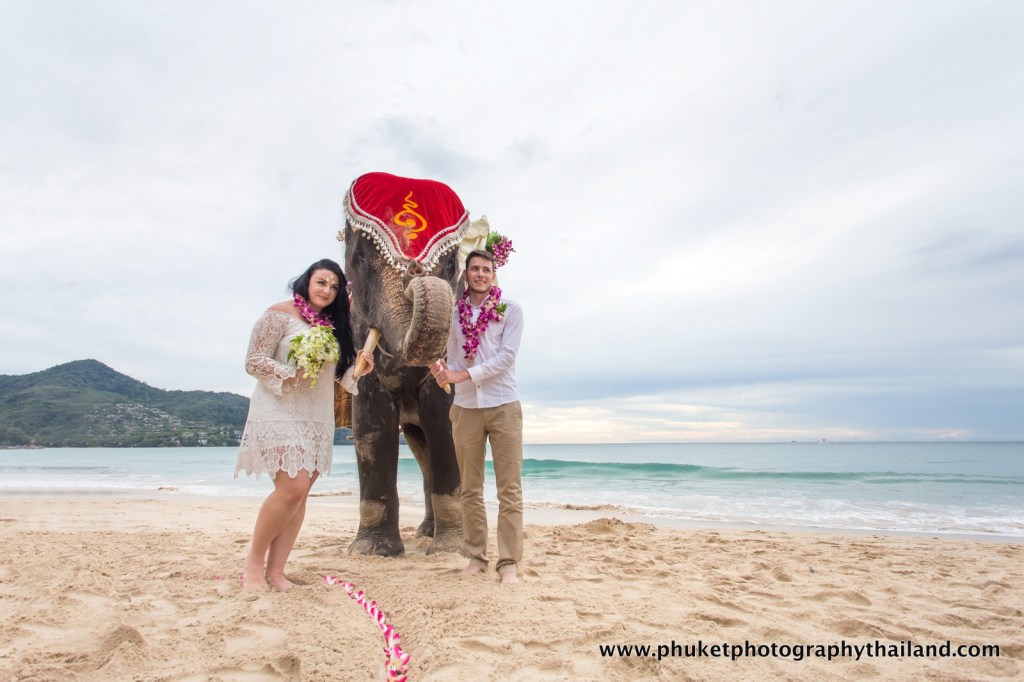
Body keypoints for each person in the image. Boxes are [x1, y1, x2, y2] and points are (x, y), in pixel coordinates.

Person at [235, 258, 373, 591]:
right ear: (307, 281)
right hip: (277, 407)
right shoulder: (279, 313)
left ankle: (277, 571)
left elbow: (339, 377)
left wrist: (360, 368)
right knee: (292, 488)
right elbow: (253, 360)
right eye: (322, 282)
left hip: (315, 415)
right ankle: (253, 565)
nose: (327, 290)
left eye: (334, 286)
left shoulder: (334, 326)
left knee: (300, 495)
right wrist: (287, 372)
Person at [430, 249, 524, 584]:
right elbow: (452, 358)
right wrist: (442, 370)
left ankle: (509, 562)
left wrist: (463, 376)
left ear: (493, 274)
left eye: (486, 269)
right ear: (465, 274)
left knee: (509, 490)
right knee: (469, 489)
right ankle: (476, 556)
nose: (480, 274)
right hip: (466, 408)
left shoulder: (510, 310)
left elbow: (506, 358)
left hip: (503, 405)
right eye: (474, 269)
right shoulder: (453, 314)